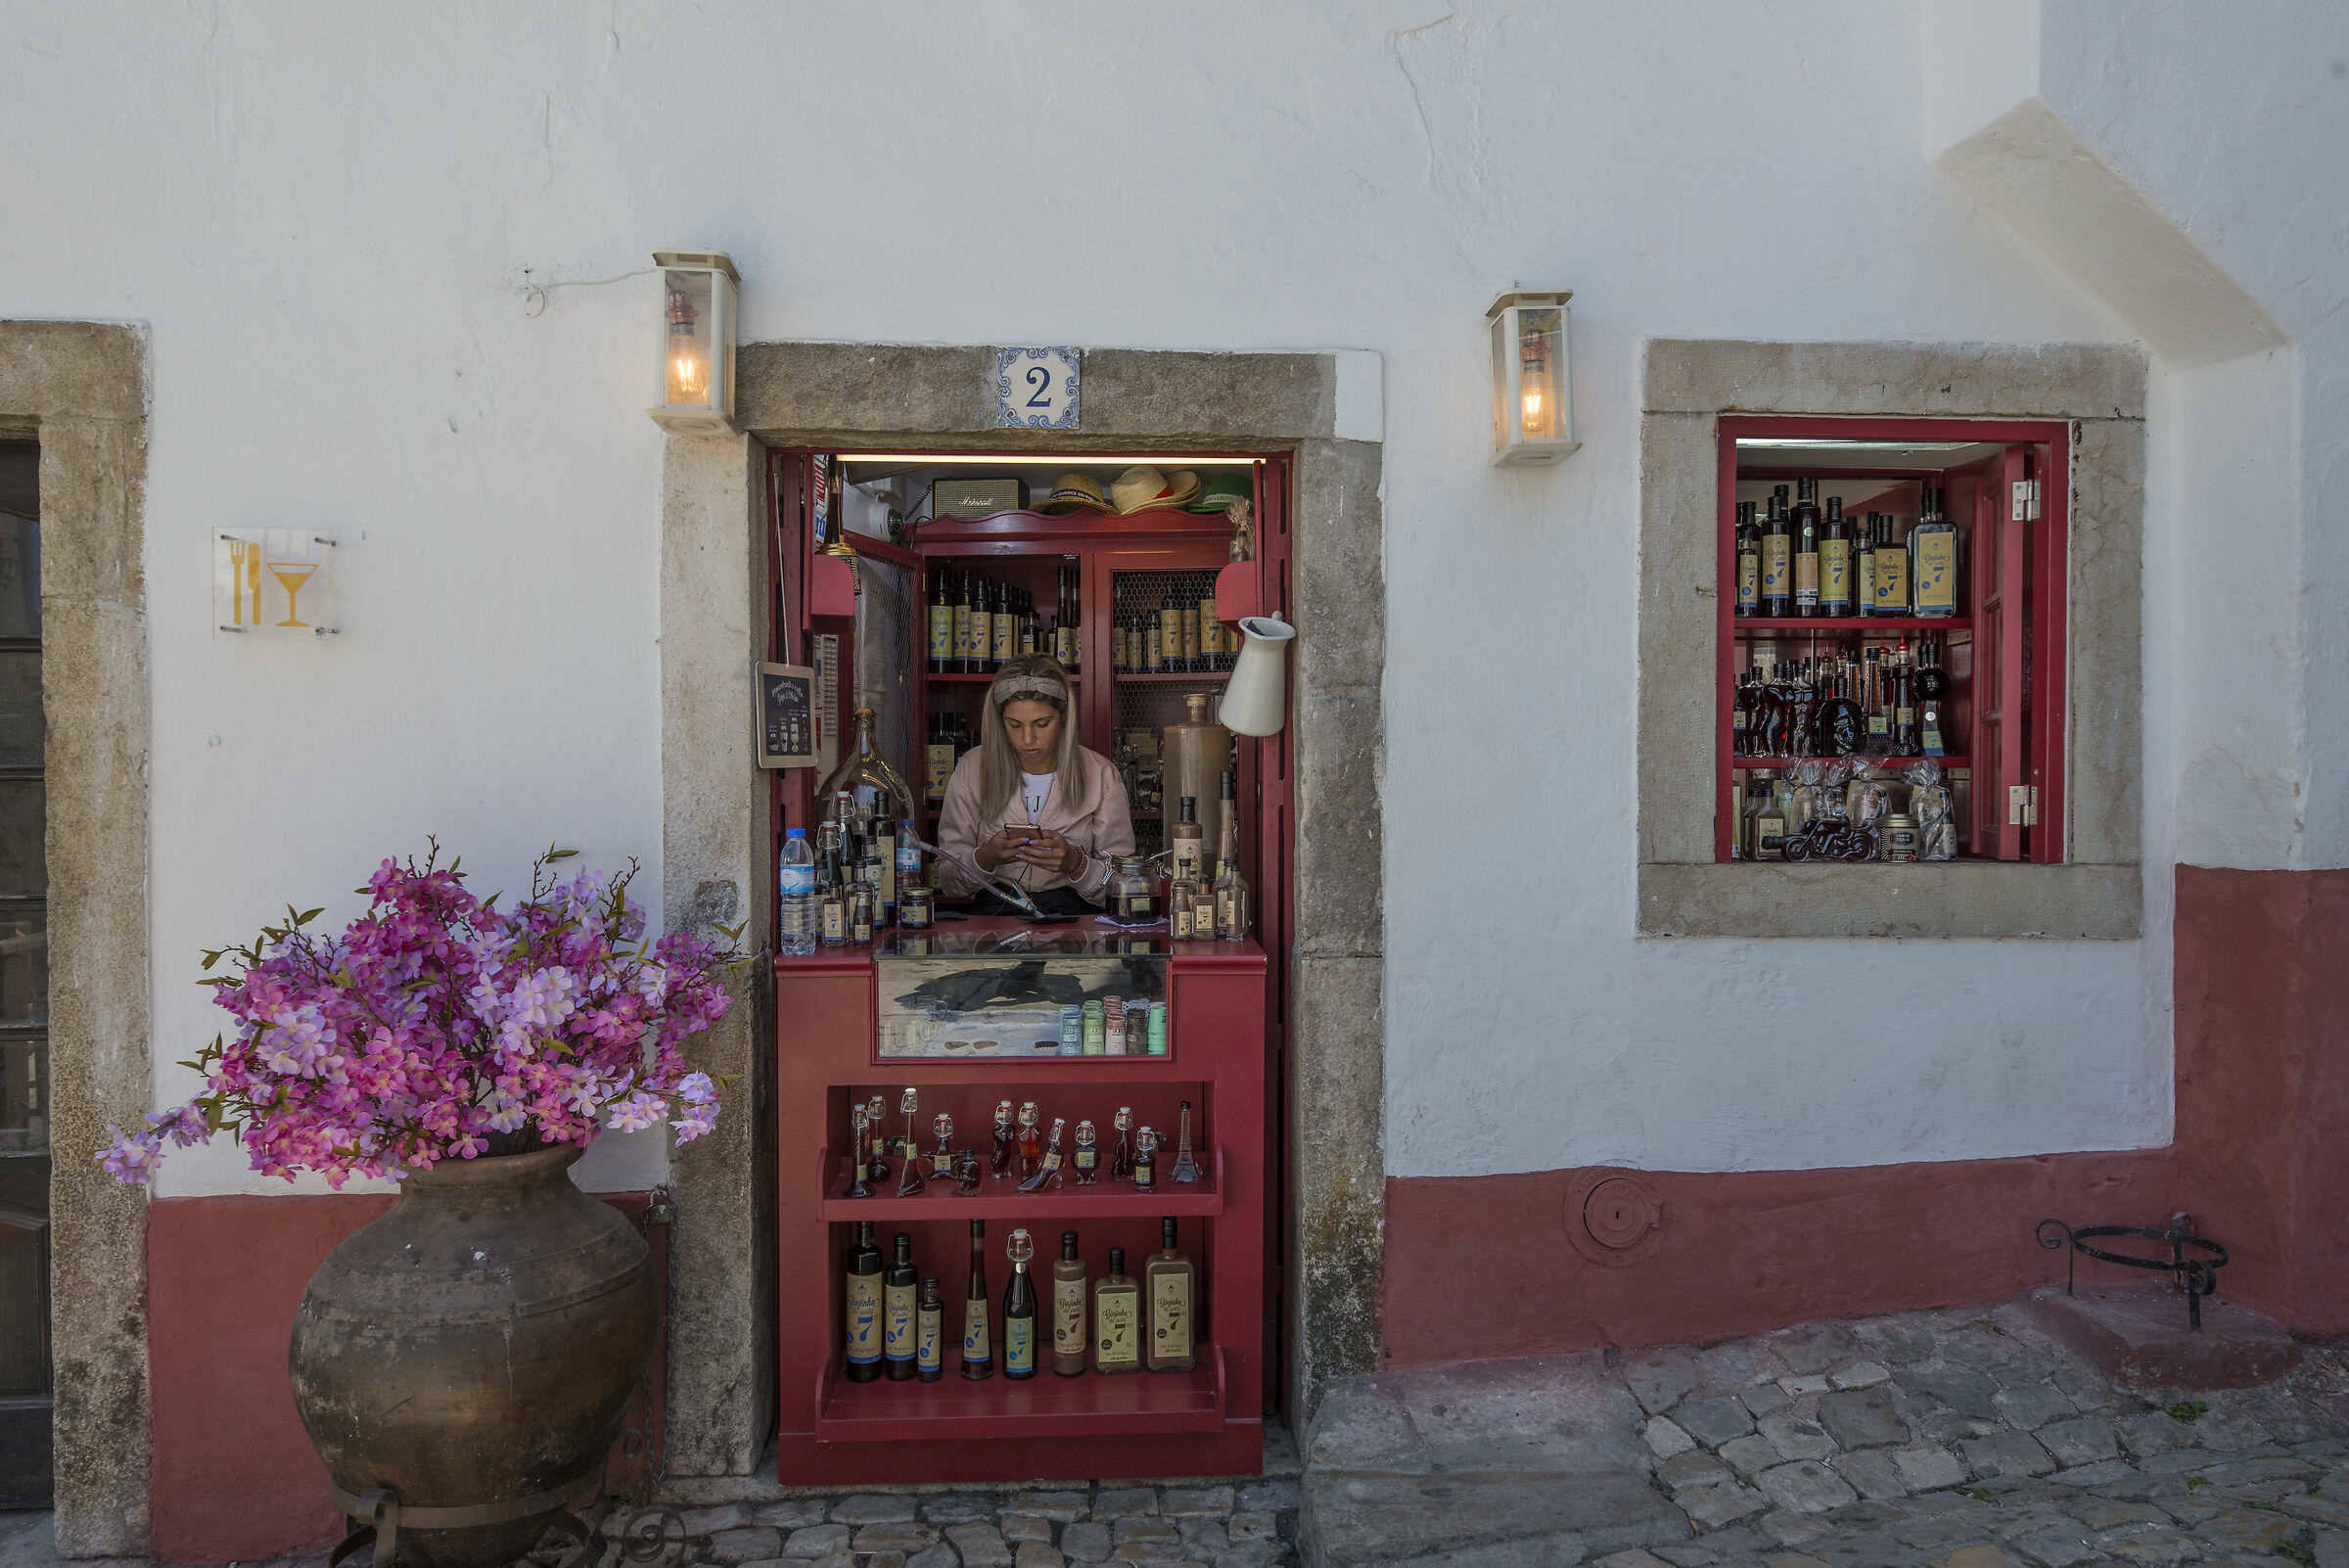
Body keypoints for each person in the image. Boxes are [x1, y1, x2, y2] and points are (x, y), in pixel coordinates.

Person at [936, 654, 1134, 916]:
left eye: (1042, 724)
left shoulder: (1101, 775)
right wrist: (985, 858)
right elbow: (947, 881)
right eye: (1014, 725)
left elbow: (1126, 884)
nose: (1028, 739)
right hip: (995, 918)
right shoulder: (972, 768)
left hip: (1072, 919)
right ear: (999, 720)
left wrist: (1077, 864)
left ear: (1064, 714)